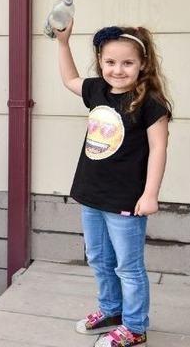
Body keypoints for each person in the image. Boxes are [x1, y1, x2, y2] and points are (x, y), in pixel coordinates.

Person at [54, 22, 172, 347]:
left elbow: (159, 149)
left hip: (126, 200)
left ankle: (135, 327)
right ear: (101, 62)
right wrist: (63, 43)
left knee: (128, 267)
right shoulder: (97, 91)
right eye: (110, 62)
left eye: (127, 63)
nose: (117, 70)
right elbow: (69, 79)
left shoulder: (150, 104)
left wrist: (150, 194)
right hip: (92, 194)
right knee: (98, 259)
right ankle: (112, 311)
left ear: (143, 64)